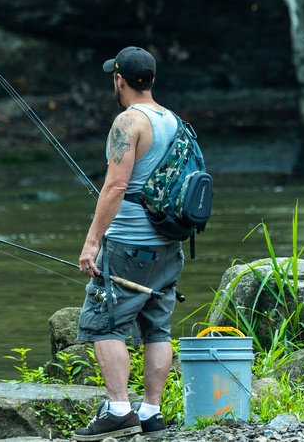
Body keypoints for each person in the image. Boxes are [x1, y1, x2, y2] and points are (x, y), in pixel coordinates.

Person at [73, 46, 186, 441]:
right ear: (151, 79)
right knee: (158, 327)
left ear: (119, 79)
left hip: (129, 244)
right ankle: (151, 413)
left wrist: (91, 243)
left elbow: (117, 185)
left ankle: (119, 408)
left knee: (104, 323)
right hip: (169, 245)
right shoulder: (173, 120)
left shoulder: (128, 122)